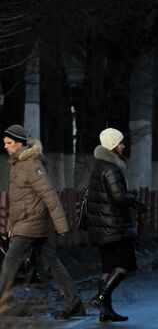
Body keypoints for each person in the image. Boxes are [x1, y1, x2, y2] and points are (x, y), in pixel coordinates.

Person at [0, 124, 85, 319]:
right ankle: (76, 303)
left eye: (9, 143)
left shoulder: (32, 165)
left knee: (10, 261)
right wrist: (11, 226)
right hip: (25, 223)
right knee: (52, 264)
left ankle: (1, 305)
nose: (5, 146)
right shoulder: (17, 164)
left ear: (20, 143)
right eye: (4, 143)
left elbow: (50, 196)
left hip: (31, 223)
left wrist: (62, 226)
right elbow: (18, 201)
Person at [84, 128, 146, 323]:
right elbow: (118, 197)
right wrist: (133, 198)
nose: (123, 146)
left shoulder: (99, 166)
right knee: (125, 264)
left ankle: (105, 311)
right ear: (112, 145)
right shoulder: (111, 169)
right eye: (120, 143)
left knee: (107, 267)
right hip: (113, 225)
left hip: (100, 226)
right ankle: (101, 298)